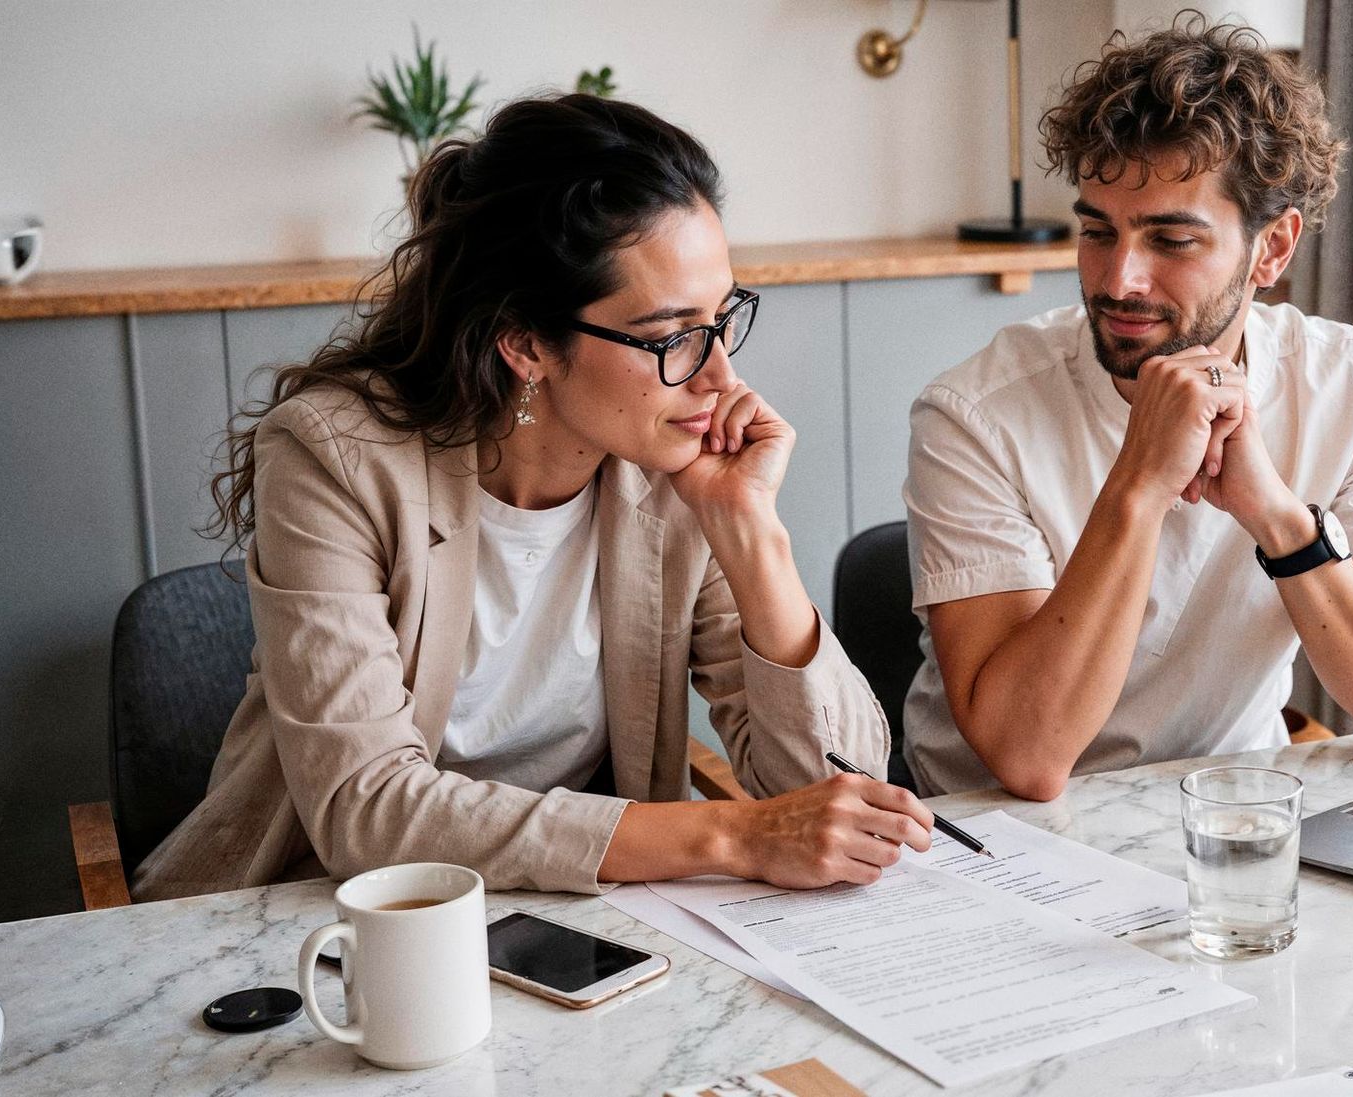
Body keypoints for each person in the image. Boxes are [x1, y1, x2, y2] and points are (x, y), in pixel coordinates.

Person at [134, 94, 931, 902]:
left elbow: (845, 788)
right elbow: (365, 810)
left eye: (722, 319)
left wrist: (751, 532)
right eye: (670, 336)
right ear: (524, 342)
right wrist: (729, 834)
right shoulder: (334, 460)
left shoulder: (673, 472)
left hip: (579, 916)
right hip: (316, 920)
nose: (720, 375)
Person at [902, 18, 1353, 800]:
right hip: (998, 839)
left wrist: (1277, 516)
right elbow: (1028, 757)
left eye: (1171, 240)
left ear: (1271, 251)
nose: (1119, 279)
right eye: (1098, 232)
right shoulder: (971, 415)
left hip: (1234, 809)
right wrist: (1139, 482)